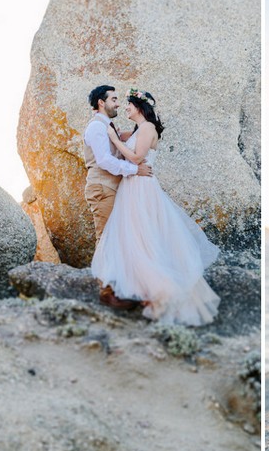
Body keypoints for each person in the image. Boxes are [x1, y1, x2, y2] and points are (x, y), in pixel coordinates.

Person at [90, 89, 221, 325]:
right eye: (119, 102)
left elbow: (136, 158)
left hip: (140, 186)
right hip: (131, 186)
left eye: (128, 103)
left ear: (139, 107)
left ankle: (159, 290)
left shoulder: (148, 128)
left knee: (144, 236)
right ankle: (141, 289)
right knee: (135, 238)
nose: (125, 107)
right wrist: (117, 136)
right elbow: (124, 145)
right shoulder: (140, 129)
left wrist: (115, 139)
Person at [82, 84, 153, 309]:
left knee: (118, 238)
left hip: (111, 188)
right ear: (101, 103)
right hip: (102, 188)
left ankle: (122, 288)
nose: (118, 104)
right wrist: (135, 170)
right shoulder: (96, 127)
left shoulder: (107, 126)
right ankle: (106, 292)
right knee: (106, 239)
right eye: (113, 99)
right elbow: (103, 160)